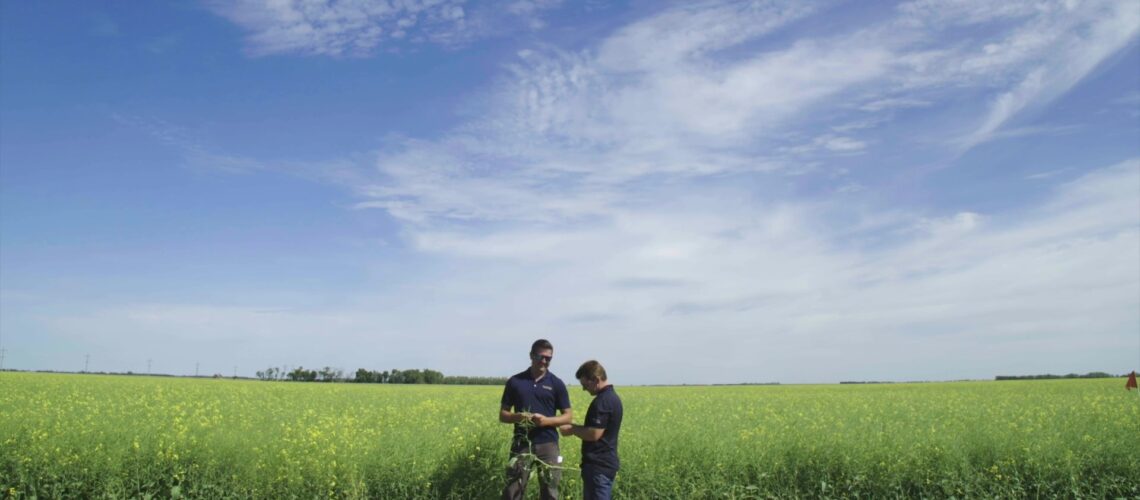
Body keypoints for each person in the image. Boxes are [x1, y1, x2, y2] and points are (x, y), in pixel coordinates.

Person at [500, 339, 573, 500]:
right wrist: (518, 417)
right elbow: (503, 415)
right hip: (521, 444)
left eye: (548, 358)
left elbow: (568, 416)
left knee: (550, 491)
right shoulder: (515, 382)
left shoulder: (556, 383)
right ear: (531, 355)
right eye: (541, 357)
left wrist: (545, 421)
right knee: (513, 490)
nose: (544, 361)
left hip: (548, 444)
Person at [560, 360, 623, 500]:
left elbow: (594, 434)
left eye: (585, 385)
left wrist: (572, 429)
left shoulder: (603, 401)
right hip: (604, 465)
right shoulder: (613, 397)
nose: (584, 389)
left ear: (596, 379)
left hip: (598, 467)